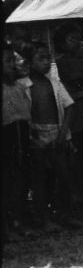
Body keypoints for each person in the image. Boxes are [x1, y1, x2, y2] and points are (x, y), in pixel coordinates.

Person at [24, 41, 81, 230]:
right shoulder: (23, 85)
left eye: (48, 57)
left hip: (58, 133)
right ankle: (44, 218)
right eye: (41, 58)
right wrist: (33, 134)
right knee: (41, 179)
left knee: (64, 176)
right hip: (36, 137)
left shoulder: (55, 83)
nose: (46, 62)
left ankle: (65, 214)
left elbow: (70, 107)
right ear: (29, 61)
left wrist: (63, 133)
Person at [54, 23, 83, 203]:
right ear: (62, 43)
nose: (77, 43)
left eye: (79, 39)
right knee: (74, 153)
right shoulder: (61, 62)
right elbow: (75, 79)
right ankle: (74, 192)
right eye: (72, 39)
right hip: (72, 112)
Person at [2, 42, 31, 240]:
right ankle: (5, 228)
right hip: (6, 139)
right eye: (8, 61)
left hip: (22, 137)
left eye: (13, 60)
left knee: (20, 182)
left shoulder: (19, 87)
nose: (13, 64)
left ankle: (18, 222)